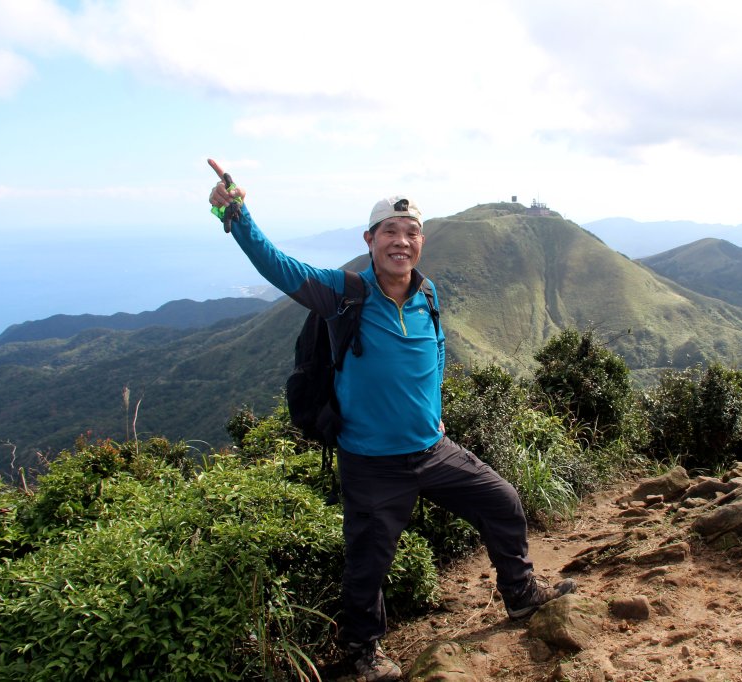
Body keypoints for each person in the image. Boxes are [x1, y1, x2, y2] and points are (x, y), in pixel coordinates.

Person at [206, 159, 575, 682]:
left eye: (411, 232)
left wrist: (436, 414)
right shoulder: (343, 293)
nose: (401, 241)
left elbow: (437, 353)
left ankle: (520, 595)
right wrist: (238, 215)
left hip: (432, 450)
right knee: (368, 561)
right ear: (370, 239)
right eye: (390, 232)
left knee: (504, 502)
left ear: (421, 242)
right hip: (370, 460)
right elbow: (279, 267)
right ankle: (364, 650)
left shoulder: (428, 295)